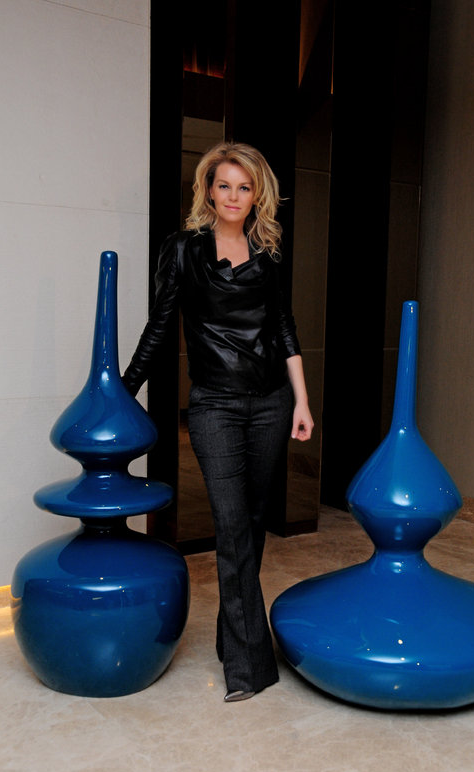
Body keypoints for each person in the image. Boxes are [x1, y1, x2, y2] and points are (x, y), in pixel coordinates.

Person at [123, 142, 313, 702]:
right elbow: (160, 327)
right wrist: (123, 389)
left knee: (251, 524)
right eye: (224, 185)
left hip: (272, 403)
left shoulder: (268, 253)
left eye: (244, 187)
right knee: (230, 527)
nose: (233, 196)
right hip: (215, 407)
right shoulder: (183, 249)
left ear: (257, 195)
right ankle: (249, 670)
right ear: (209, 190)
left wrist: (302, 402)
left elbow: (284, 327)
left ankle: (233, 640)